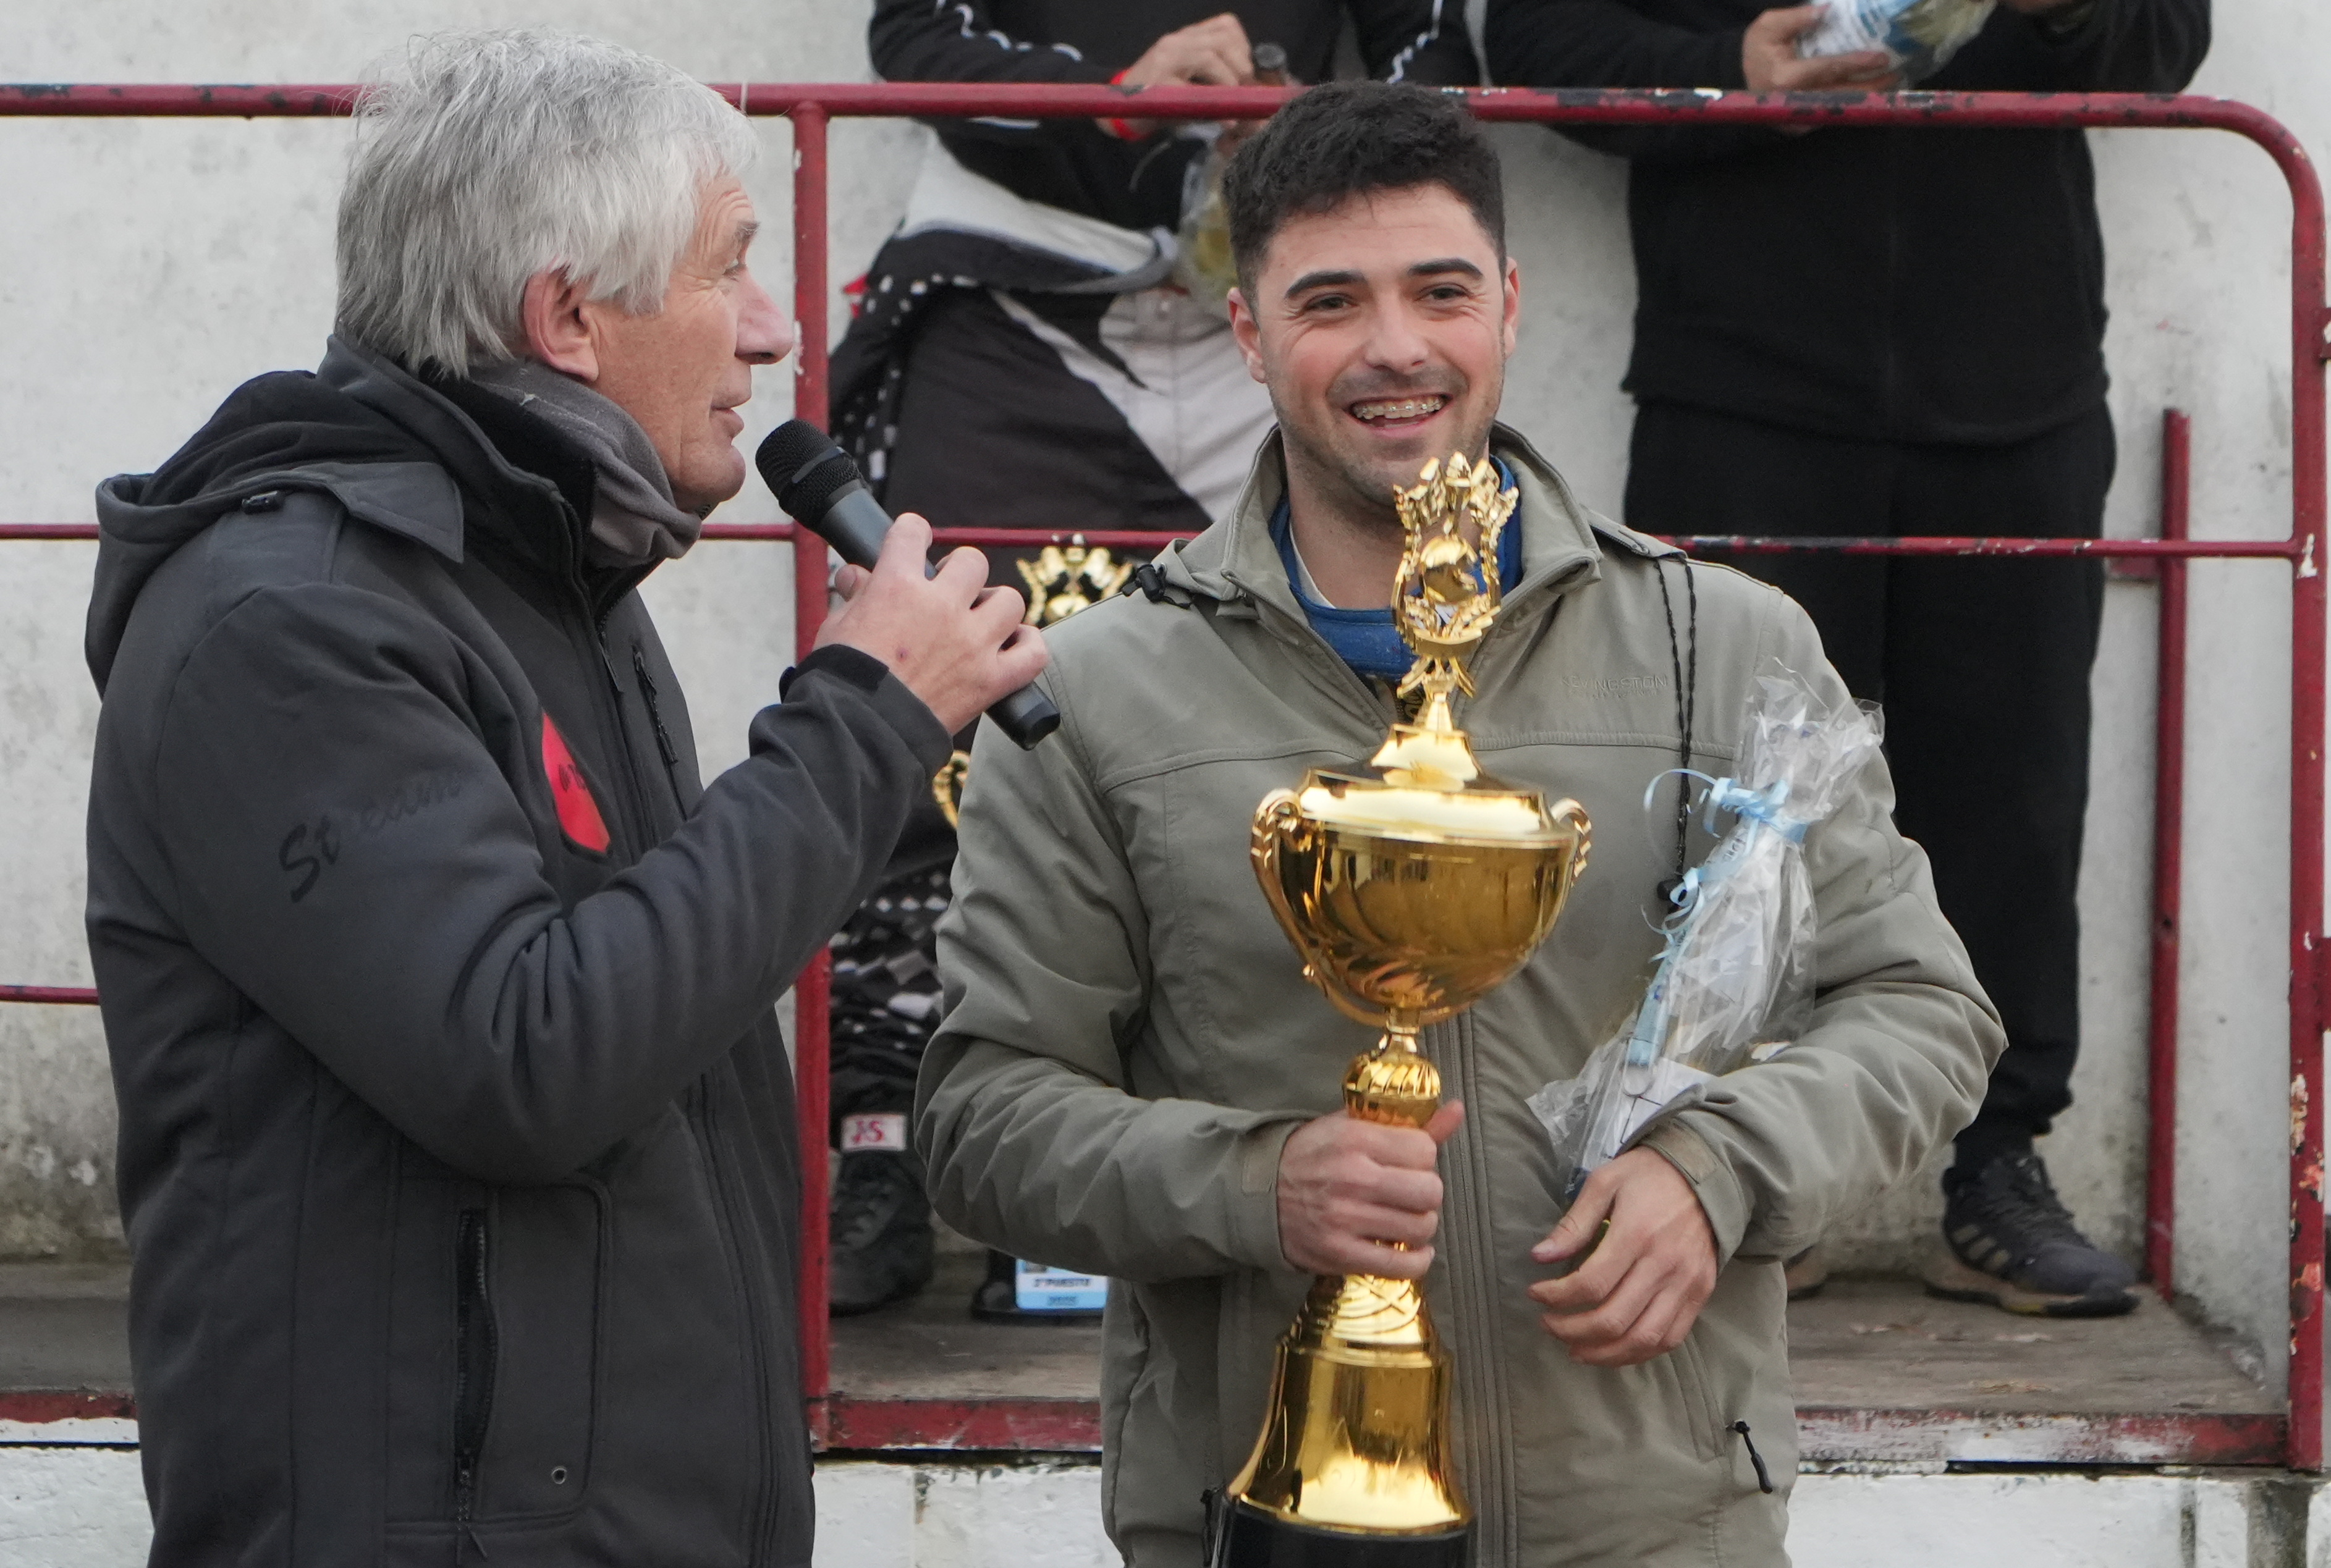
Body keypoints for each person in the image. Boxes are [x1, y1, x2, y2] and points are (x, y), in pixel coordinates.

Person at [919, 81, 2000, 1566]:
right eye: (1330, 301)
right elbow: (981, 1117)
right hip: (1265, 1521)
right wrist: (1256, 1186)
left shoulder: (1721, 644)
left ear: (1510, 304)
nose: (1396, 348)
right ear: (1248, 333)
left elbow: (1921, 1010)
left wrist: (1720, 1171)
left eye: (1441, 291)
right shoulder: (1092, 693)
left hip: (1654, 1525)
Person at [82, 30, 1044, 1565]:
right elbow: (526, 1058)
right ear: (570, 317)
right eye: (731, 268)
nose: (777, 330)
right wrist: (866, 720)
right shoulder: (290, 622)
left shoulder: (555, 580)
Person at [1481, 0, 2209, 1317]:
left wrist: (2065, 16)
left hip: (2018, 385)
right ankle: (1712, 1166)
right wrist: (1729, 72)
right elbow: (1534, 42)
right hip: (1740, 388)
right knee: (1715, 808)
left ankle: (1994, 1165)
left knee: (2018, 795)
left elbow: (2167, 41)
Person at [824, 2, 1483, 1315]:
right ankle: (877, 1142)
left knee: (1285, 716)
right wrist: (1120, 92)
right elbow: (916, 37)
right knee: (936, 712)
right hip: (1013, 284)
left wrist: (1304, 136)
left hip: (1279, 299)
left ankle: (1282, 1142)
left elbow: (1433, 55)